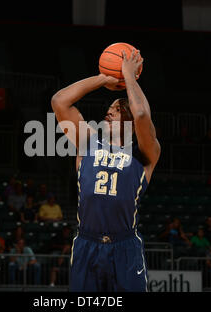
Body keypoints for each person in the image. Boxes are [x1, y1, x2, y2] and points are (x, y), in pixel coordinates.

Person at [51, 49, 161, 292]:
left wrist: (128, 76)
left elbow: (142, 114)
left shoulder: (143, 153)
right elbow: (59, 101)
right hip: (87, 244)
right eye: (109, 108)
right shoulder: (87, 141)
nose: (109, 112)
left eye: (118, 109)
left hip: (125, 247)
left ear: (131, 122)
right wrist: (104, 78)